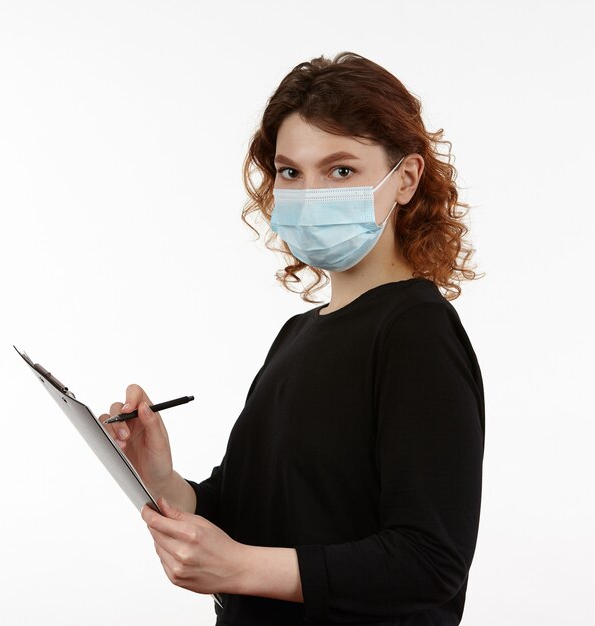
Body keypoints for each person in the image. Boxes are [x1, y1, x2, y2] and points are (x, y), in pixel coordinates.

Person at [99, 51, 485, 626]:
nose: (311, 193)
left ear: (405, 179)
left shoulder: (416, 333)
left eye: (342, 170)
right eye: (290, 172)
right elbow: (245, 514)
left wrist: (240, 570)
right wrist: (158, 477)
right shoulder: (298, 335)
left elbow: (429, 563)